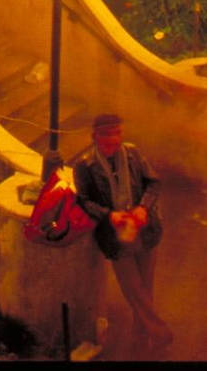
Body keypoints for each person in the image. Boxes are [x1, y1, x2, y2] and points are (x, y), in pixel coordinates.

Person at [72, 114, 170, 349]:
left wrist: (144, 208)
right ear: (95, 138)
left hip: (144, 229)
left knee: (145, 287)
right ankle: (161, 333)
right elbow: (83, 201)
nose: (111, 149)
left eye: (115, 144)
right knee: (133, 288)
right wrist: (108, 215)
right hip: (116, 236)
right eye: (106, 145)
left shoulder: (133, 154)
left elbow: (153, 183)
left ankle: (141, 336)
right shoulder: (85, 166)